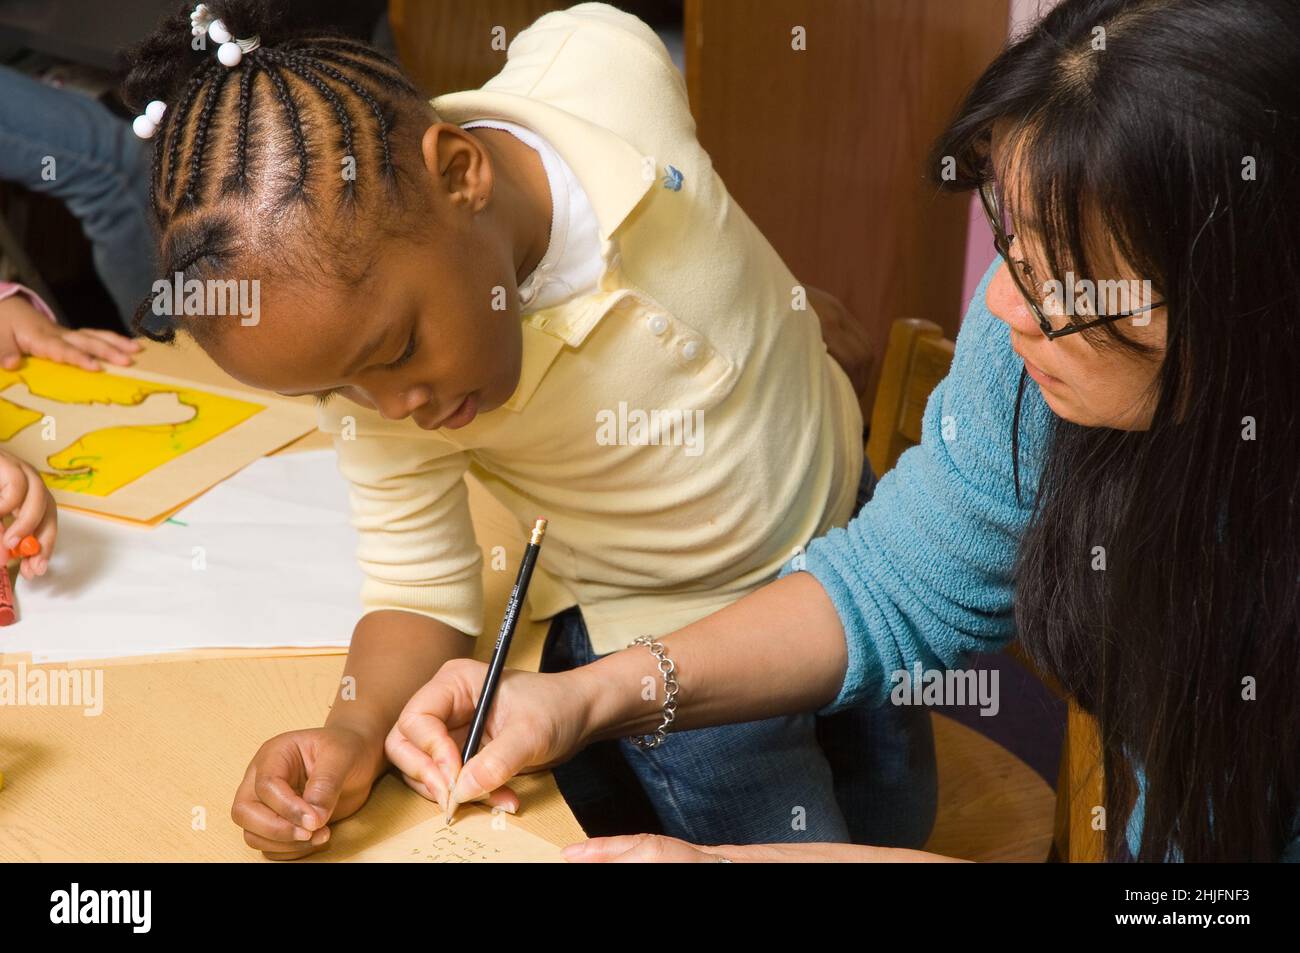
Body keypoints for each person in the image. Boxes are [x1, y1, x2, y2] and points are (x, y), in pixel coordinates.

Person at [394, 0, 1300, 862]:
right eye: (1008, 240)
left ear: (1253, 308)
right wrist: (583, 696)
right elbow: (893, 584)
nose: (998, 304)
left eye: (1065, 287)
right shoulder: (1031, 346)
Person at [121, 1, 926, 858]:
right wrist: (353, 729)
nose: (392, 407)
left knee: (898, 823)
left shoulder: (606, 68)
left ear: (463, 173)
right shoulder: (382, 395)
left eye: (396, 349)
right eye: (337, 390)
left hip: (860, 540)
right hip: (661, 649)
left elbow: (702, 228)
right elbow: (417, 589)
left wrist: (782, 312)